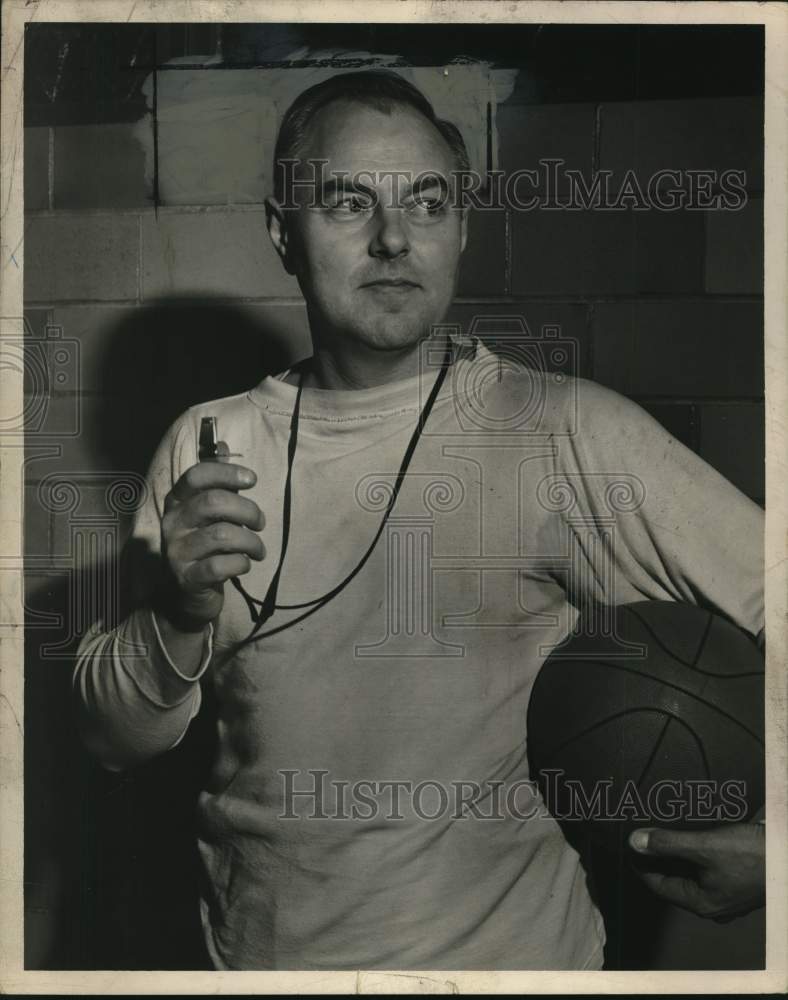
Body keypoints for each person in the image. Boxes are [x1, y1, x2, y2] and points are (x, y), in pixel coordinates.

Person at [74, 70, 766, 971]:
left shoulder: (563, 430)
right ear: (284, 231)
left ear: (463, 229)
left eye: (428, 204)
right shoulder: (211, 444)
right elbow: (107, 738)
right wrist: (175, 616)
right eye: (348, 202)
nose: (395, 238)